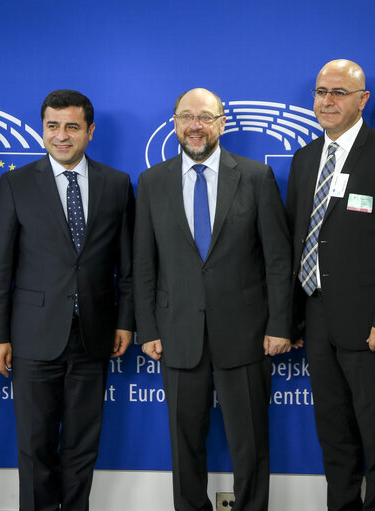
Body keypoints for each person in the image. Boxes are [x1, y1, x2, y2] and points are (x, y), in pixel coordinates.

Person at [133, 87, 294, 511]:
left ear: (222, 123)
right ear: (174, 124)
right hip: (176, 333)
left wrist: (281, 324)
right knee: (184, 447)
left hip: (246, 333)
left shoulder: (257, 177)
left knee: (251, 445)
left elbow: (278, 259)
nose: (195, 126)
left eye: (205, 117)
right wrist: (147, 328)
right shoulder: (152, 182)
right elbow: (144, 264)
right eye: (187, 117)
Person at [0, 89, 134, 511]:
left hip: (94, 336)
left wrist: (125, 322)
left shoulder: (117, 184)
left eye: (71, 127)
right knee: (35, 448)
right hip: (32, 338)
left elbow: (129, 266)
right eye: (53, 126)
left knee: (83, 448)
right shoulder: (15, 184)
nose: (61, 136)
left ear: (89, 131)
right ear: (42, 130)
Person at [285, 59, 375, 510]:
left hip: (370, 325)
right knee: (334, 433)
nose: (327, 101)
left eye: (339, 92)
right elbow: (298, 241)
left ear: (363, 100)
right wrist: (292, 319)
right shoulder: (306, 159)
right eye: (321, 91)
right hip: (317, 317)